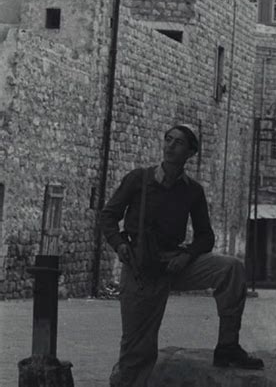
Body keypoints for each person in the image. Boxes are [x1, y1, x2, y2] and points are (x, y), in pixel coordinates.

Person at [101, 123, 264, 387]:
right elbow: (109, 216)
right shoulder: (138, 179)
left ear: (190, 153)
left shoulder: (192, 190)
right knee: (137, 348)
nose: (170, 146)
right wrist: (120, 245)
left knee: (231, 269)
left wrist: (186, 256)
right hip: (141, 269)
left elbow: (206, 236)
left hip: (175, 264)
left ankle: (227, 346)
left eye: (178, 142)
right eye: (168, 139)